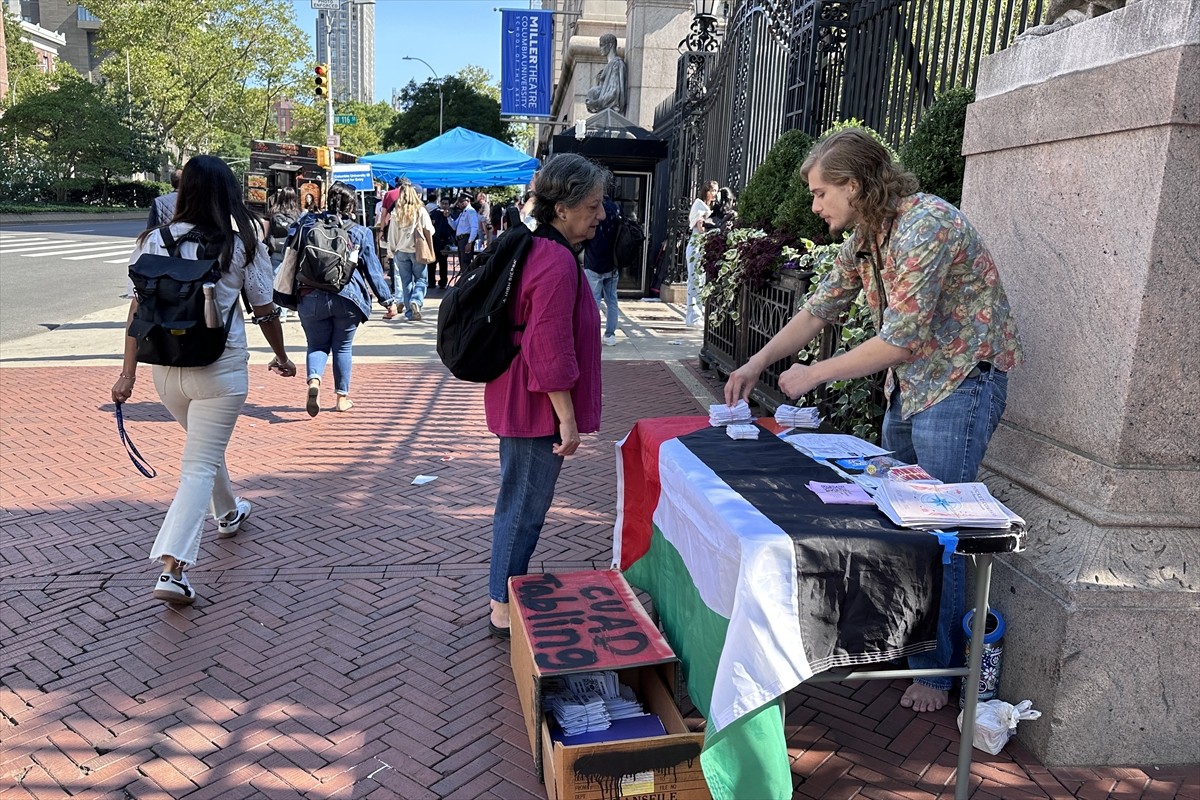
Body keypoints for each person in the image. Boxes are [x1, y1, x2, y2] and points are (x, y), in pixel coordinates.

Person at [723, 127, 1022, 713]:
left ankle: (936, 670)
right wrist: (757, 363)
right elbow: (818, 309)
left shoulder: (924, 226)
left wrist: (814, 375)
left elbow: (902, 340)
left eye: (818, 193)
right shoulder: (866, 235)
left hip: (959, 384)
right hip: (912, 387)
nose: (814, 206)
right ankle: (909, 643)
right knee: (895, 516)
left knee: (943, 527)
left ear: (854, 185)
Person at [112, 155, 297, 607]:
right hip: (221, 369)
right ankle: (173, 568)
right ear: (226, 194)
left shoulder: (152, 240)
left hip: (166, 370)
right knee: (198, 463)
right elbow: (264, 308)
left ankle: (229, 512)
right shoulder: (238, 246)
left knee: (203, 448)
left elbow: (138, 311)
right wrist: (282, 357)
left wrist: (127, 374)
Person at [484, 153, 607, 637]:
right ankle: (501, 603)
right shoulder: (555, 260)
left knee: (519, 503)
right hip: (536, 406)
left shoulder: (542, 250)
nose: (601, 215)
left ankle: (503, 593)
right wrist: (568, 419)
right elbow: (549, 348)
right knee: (523, 509)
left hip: (523, 397)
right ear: (563, 208)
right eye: (594, 205)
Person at [296, 182, 399, 416]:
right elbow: (372, 270)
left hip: (311, 295)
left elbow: (291, 258)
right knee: (342, 347)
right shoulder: (360, 232)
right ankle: (341, 398)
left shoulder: (307, 225)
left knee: (316, 345)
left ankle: (314, 381)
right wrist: (388, 301)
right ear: (351, 204)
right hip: (347, 297)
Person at [386, 183, 435, 321]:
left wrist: (391, 250)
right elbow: (430, 230)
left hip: (401, 251)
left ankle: (409, 312)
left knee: (406, 282)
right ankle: (416, 300)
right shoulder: (421, 211)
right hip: (418, 250)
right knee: (421, 279)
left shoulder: (397, 211)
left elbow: (392, 234)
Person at [584, 195, 623, 346]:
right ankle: (610, 334)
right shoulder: (616, 208)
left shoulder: (591, 208)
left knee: (594, 301)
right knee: (612, 300)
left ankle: (593, 333)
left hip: (593, 262)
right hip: (612, 263)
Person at [685, 180, 718, 326]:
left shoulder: (707, 206)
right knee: (695, 281)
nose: (714, 194)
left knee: (699, 280)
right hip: (697, 244)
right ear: (706, 191)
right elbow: (700, 227)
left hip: (701, 245)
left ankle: (695, 315)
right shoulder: (700, 205)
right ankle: (694, 316)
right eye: (712, 191)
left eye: (716, 191)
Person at [584, 33, 627, 114]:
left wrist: (597, 103)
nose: (600, 48)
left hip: (612, 113)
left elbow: (614, 92)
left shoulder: (616, 64)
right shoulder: (608, 67)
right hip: (604, 112)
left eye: (602, 45)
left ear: (610, 45)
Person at [428, 196, 456, 290]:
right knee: (431, 263)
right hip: (434, 241)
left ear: (449, 205)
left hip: (444, 242)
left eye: (446, 204)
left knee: (443, 263)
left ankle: (443, 282)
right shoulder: (434, 213)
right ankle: (431, 282)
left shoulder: (451, 215)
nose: (444, 205)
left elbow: (453, 228)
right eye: (442, 203)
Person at [454, 192, 481, 273]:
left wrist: (470, 242)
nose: (460, 203)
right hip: (460, 240)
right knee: (463, 264)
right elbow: (455, 226)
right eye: (459, 201)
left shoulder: (470, 211)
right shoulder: (463, 212)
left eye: (462, 201)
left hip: (466, 239)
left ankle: (465, 284)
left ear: (468, 200)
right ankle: (463, 283)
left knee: (466, 263)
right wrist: (448, 217)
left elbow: (474, 228)